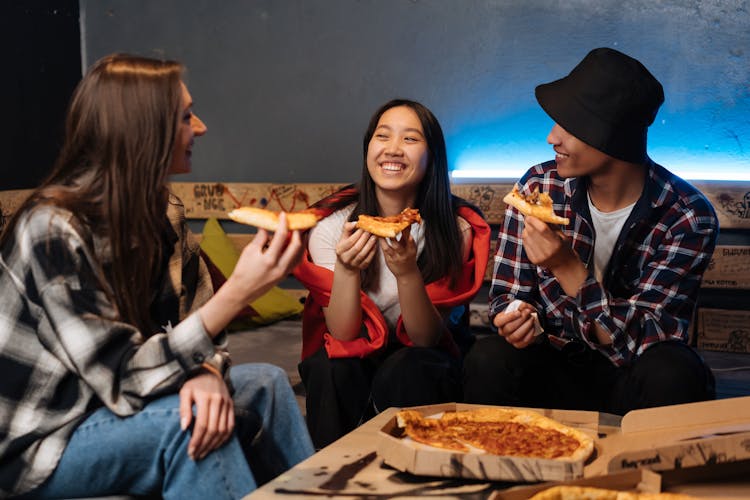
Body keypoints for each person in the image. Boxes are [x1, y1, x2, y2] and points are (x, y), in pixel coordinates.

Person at [0, 53, 313, 499]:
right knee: (186, 426)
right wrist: (240, 291)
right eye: (186, 117)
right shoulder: (52, 231)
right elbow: (120, 373)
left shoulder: (163, 214)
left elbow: (192, 329)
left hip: (116, 404)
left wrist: (204, 370)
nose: (200, 128)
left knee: (265, 383)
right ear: (144, 131)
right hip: (42, 441)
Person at [463, 47, 718, 415]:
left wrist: (567, 267)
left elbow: (643, 341)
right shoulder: (540, 187)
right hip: (551, 368)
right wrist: (519, 318)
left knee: (674, 369)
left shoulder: (687, 217)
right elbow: (507, 295)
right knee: (488, 356)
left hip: (629, 378)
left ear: (613, 136)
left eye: (570, 125)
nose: (552, 137)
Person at [294, 99, 491, 448]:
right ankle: (329, 480)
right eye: (382, 136)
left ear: (433, 155)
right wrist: (346, 269)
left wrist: (407, 274)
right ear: (368, 147)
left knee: (409, 366)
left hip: (421, 357)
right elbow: (343, 333)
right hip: (354, 351)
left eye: (411, 139)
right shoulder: (332, 227)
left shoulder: (455, 231)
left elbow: (427, 339)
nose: (394, 149)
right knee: (330, 368)